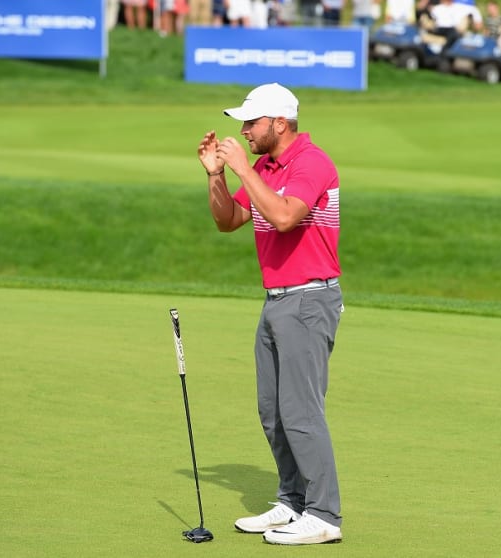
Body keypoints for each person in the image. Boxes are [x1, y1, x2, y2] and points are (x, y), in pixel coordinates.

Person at [197, 83, 345, 546]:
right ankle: (292, 501)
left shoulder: (311, 163)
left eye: (251, 123)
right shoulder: (263, 166)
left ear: (279, 123)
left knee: (301, 412)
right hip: (276, 300)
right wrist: (217, 176)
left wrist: (243, 167)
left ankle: (324, 514)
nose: (243, 131)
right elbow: (228, 222)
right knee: (273, 413)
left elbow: (284, 217)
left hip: (309, 299)